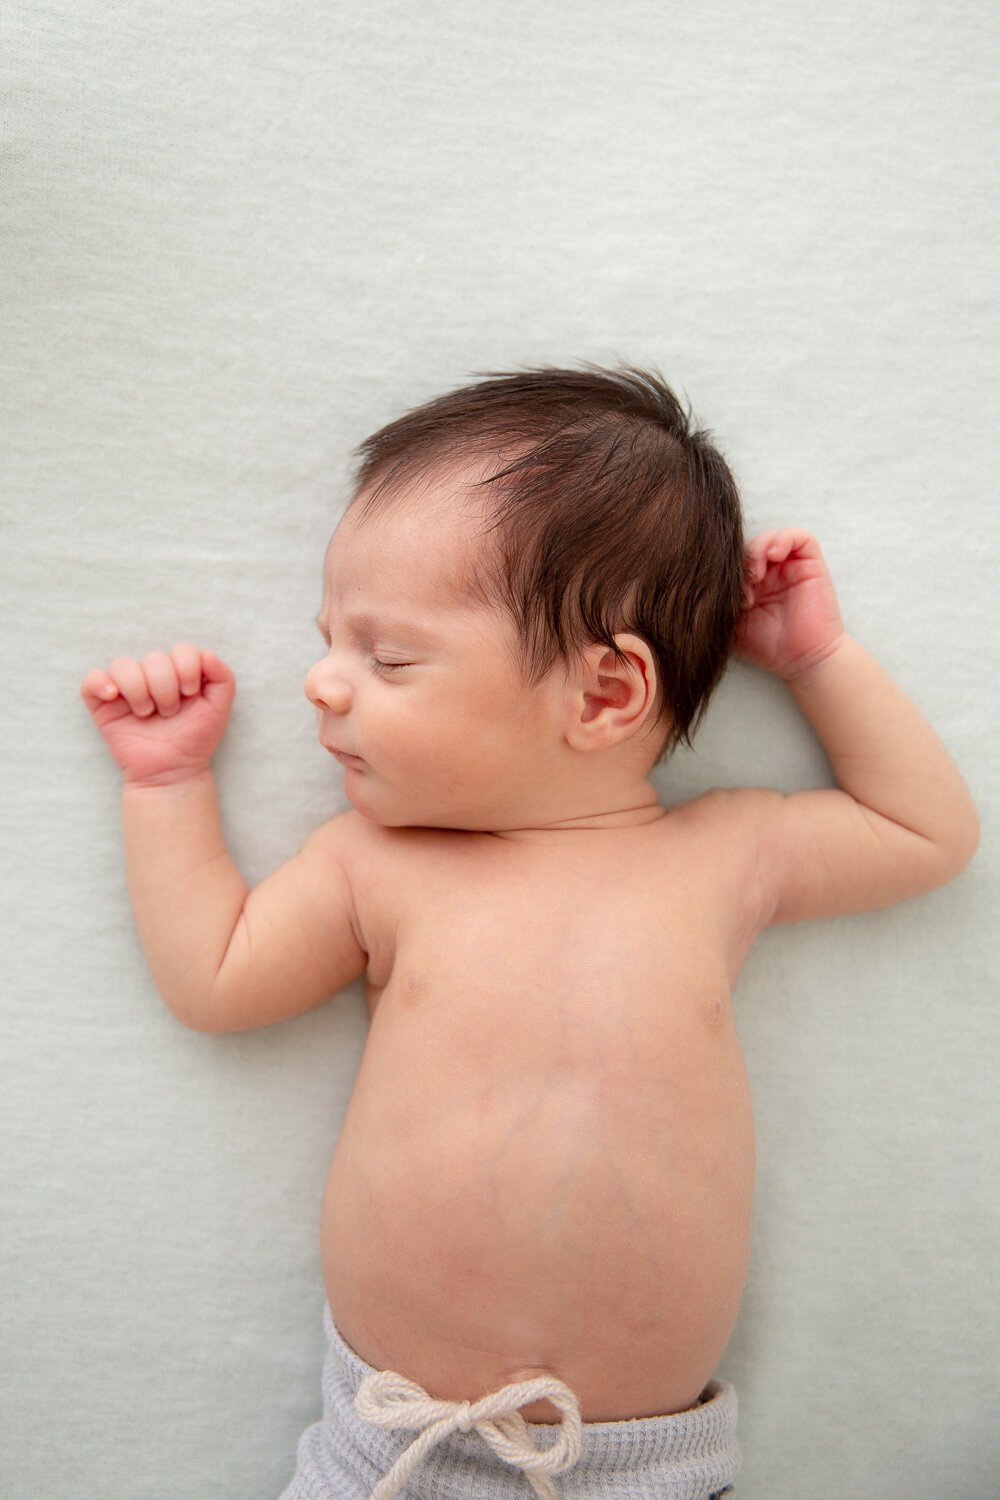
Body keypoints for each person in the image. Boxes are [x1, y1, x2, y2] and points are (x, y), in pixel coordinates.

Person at [80, 366, 979, 1499]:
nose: (320, 684)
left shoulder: (722, 855)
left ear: (606, 696)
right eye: (331, 641)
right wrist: (167, 790)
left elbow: (924, 832)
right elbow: (217, 978)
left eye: (387, 656)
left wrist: (815, 662)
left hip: (643, 1469)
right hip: (392, 1453)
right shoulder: (378, 867)